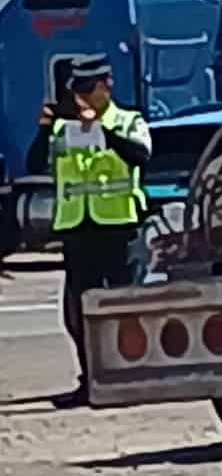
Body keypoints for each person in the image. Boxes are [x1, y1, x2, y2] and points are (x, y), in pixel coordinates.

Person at [35, 55, 151, 408]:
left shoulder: (128, 120)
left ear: (106, 86)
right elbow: (34, 162)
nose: (82, 98)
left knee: (123, 306)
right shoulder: (62, 128)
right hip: (78, 229)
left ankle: (129, 378)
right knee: (78, 312)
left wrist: (102, 131)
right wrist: (45, 128)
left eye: (89, 90)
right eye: (77, 91)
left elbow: (141, 156)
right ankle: (91, 383)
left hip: (118, 228)